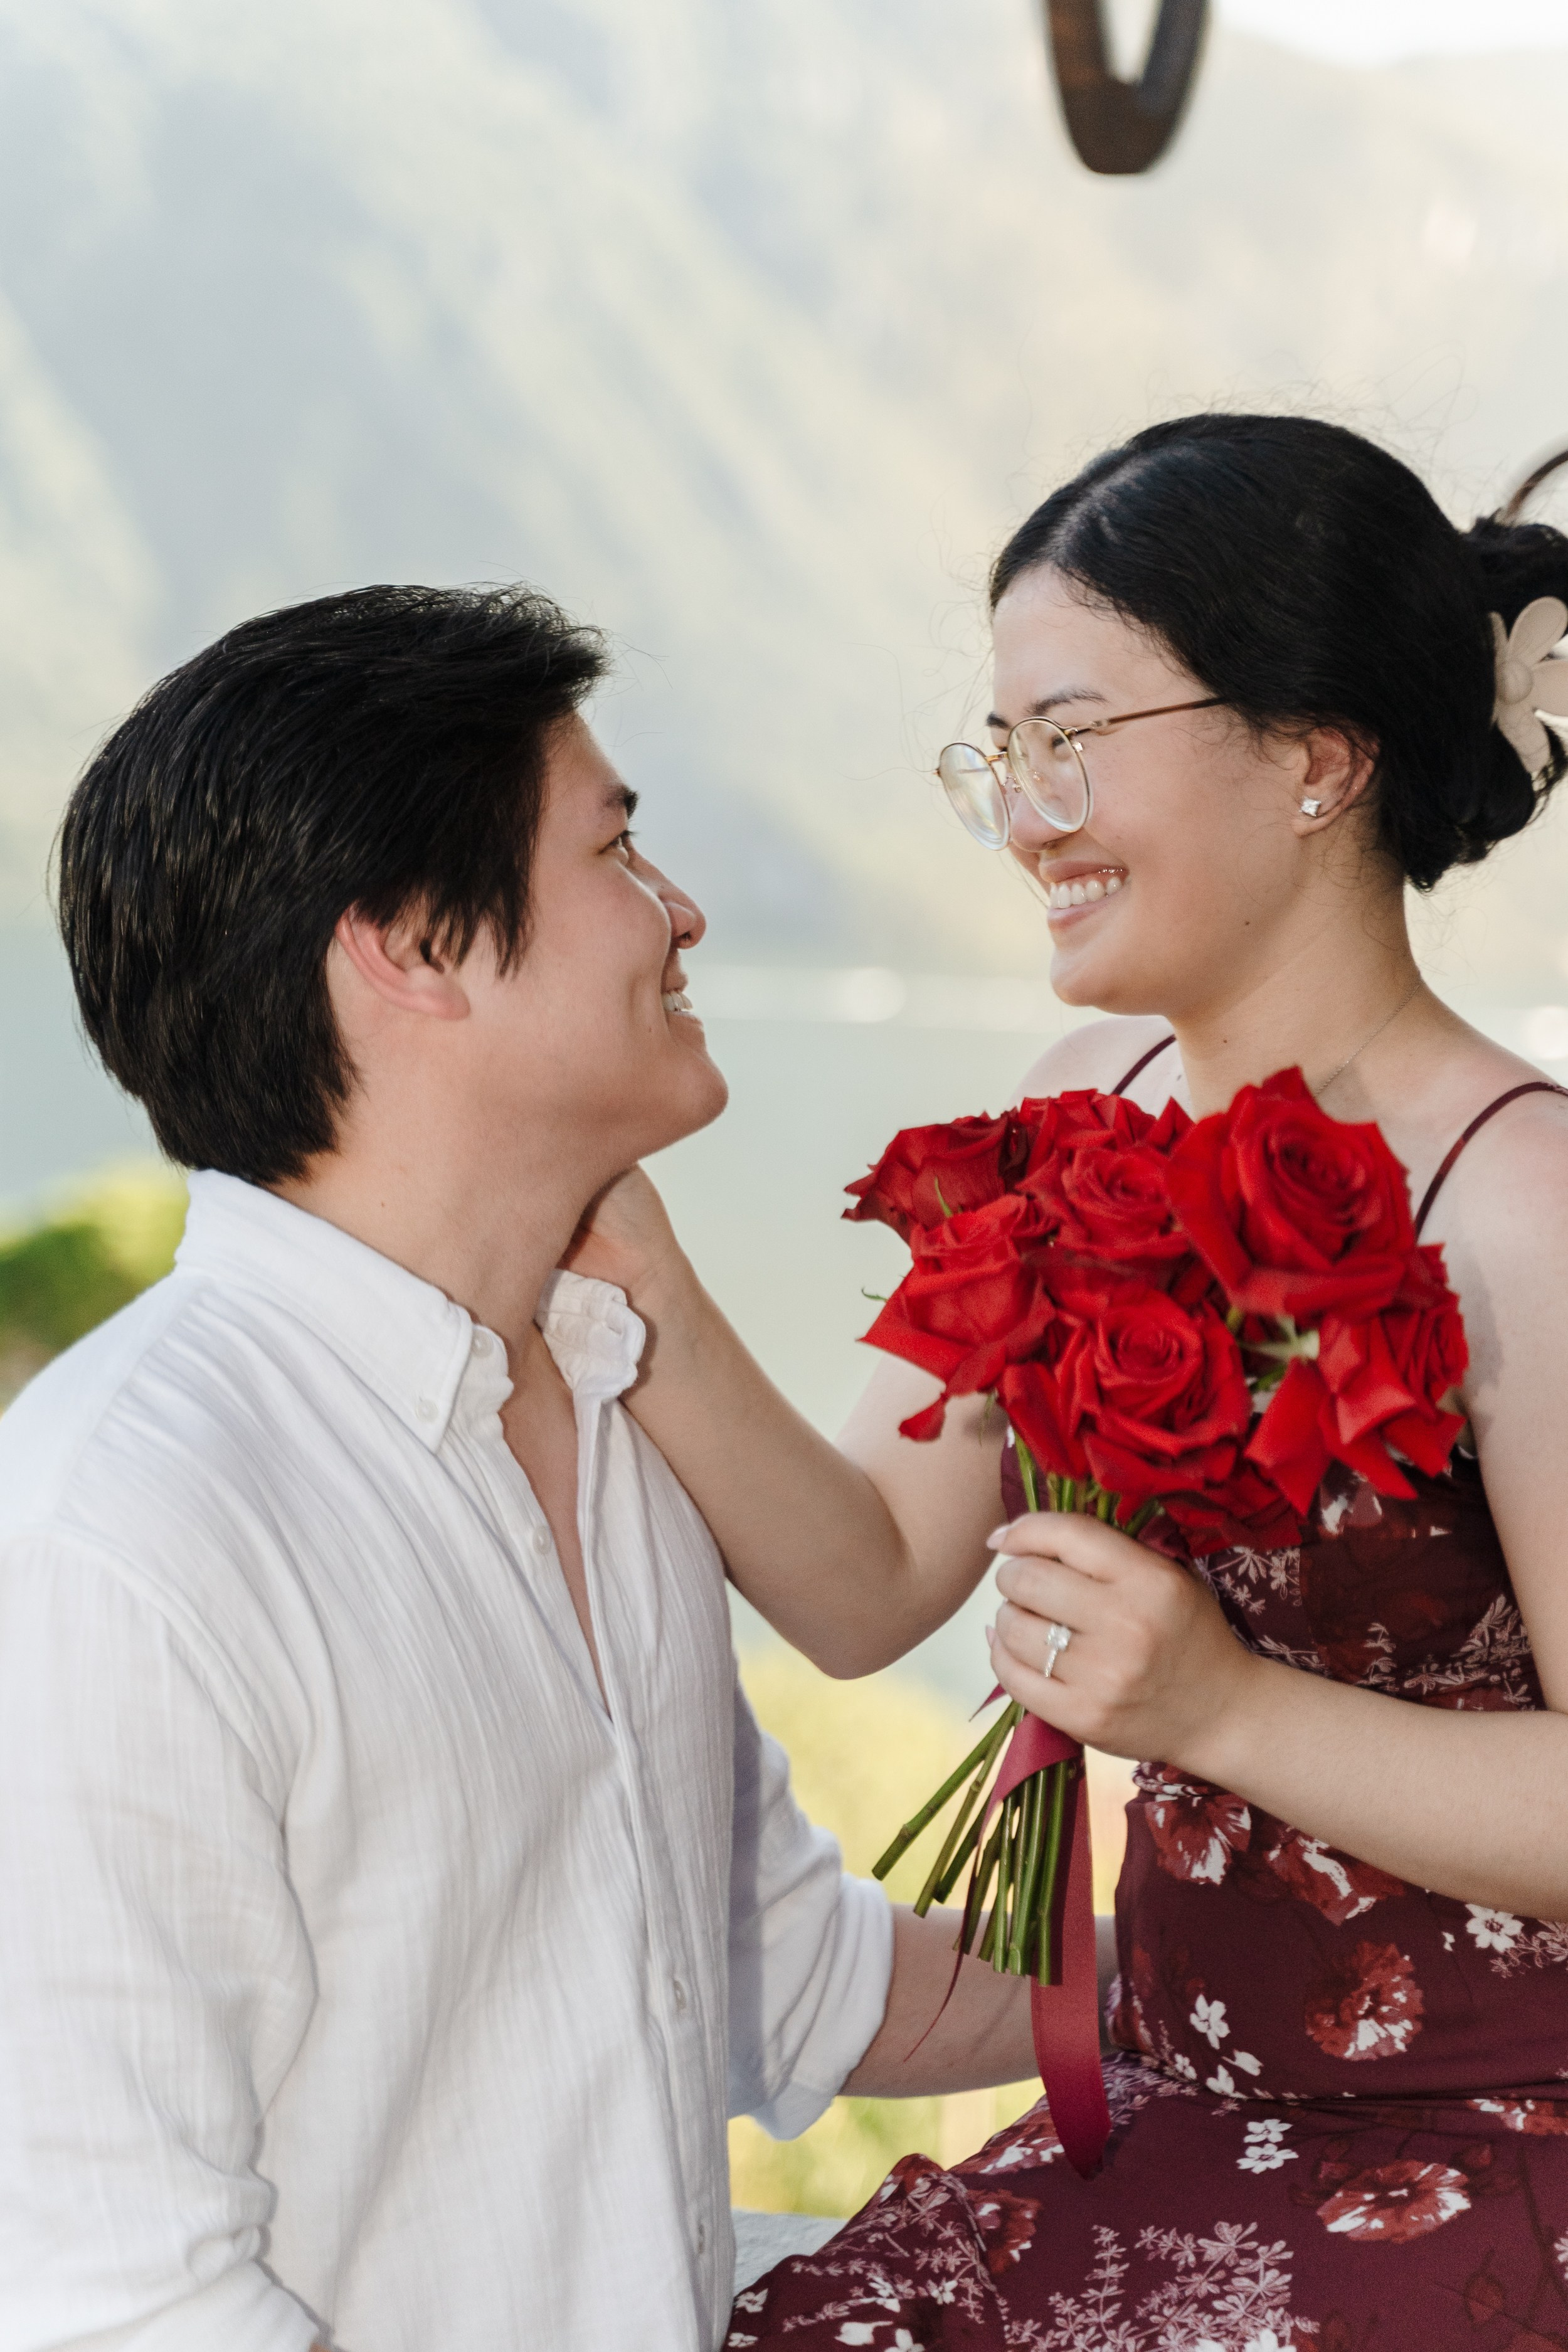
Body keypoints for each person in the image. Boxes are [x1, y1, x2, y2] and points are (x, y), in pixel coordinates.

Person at [568, 416, 1568, 2346]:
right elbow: (863, 1581)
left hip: (1486, 2144)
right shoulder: (1069, 1122)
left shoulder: (1520, 1200)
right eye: (1001, 754)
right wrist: (625, 1252)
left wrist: (1213, 1704)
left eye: (1072, 736)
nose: (1023, 813)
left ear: (1313, 757)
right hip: (1170, 2121)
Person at [0, 585, 1039, 2352]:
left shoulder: (604, 1408)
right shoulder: (122, 1536)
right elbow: (116, 2301)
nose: (681, 910)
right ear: (411, 944)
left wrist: (1343, 1972)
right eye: (618, 850)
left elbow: (789, 1978)